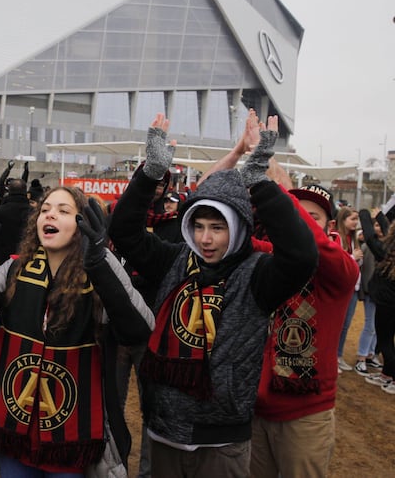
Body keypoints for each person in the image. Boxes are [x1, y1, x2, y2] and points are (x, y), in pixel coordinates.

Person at [108, 113, 317, 477]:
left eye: (218, 228)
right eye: (199, 227)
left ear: (236, 227)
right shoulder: (174, 260)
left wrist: (258, 180)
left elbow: (301, 255)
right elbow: (125, 232)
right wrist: (151, 172)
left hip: (222, 443)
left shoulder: (256, 273)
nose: (206, 239)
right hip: (163, 431)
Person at [0, 191, 155, 477]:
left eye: (63, 211)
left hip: (74, 438)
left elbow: (139, 330)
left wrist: (101, 262)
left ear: (83, 223)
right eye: (45, 209)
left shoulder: (99, 271)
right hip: (14, 431)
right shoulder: (14, 268)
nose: (49, 215)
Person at [250, 174, 360, 478]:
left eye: (312, 217)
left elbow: (314, 245)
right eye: (297, 213)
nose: (300, 223)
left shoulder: (342, 269)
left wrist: (281, 201)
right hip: (256, 409)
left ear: (329, 226)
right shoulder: (267, 257)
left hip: (306, 417)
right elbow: (230, 239)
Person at [359, 208, 395, 394]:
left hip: (388, 303)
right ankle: (387, 375)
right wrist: (380, 216)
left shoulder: (388, 253)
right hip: (390, 302)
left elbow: (371, 238)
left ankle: (393, 377)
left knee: (385, 341)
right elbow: (389, 231)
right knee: (388, 339)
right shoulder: (392, 249)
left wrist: (365, 214)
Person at [354, 218, 386, 375]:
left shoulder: (387, 247)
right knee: (370, 326)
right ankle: (361, 358)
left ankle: (370, 354)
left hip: (382, 294)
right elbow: (364, 271)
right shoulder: (368, 247)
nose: (379, 229)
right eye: (376, 225)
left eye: (381, 225)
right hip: (370, 292)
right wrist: (365, 291)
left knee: (378, 327)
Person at [335, 206, 363, 372]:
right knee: (337, 324)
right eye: (352, 219)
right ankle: (331, 357)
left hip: (353, 287)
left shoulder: (354, 239)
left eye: (356, 219)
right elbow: (337, 263)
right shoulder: (336, 237)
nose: (355, 222)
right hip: (340, 288)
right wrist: (354, 257)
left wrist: (357, 260)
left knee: (345, 325)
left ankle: (338, 356)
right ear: (343, 219)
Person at [0, 177, 32, 267]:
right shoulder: (34, 213)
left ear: (9, 191)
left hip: (2, 256)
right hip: (27, 257)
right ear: (25, 192)